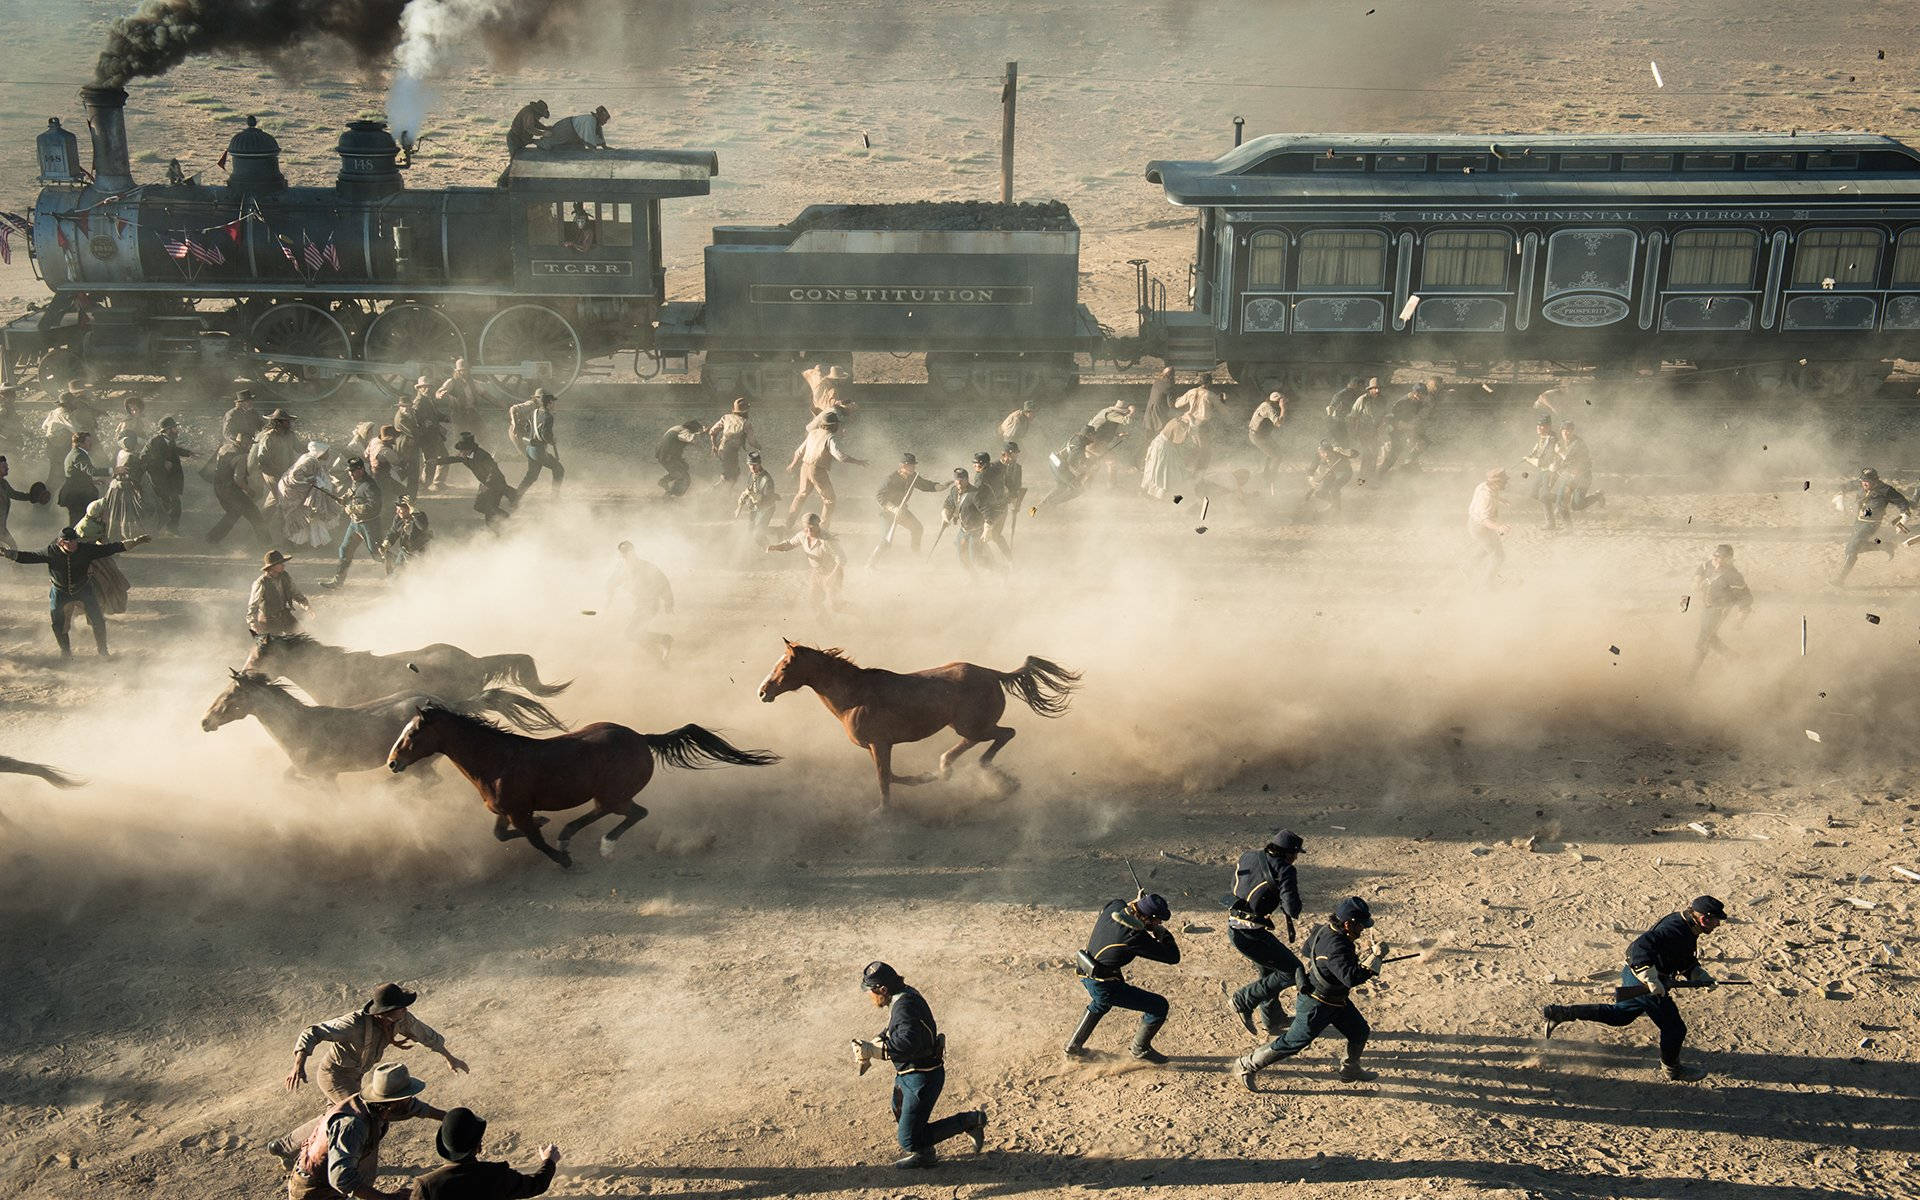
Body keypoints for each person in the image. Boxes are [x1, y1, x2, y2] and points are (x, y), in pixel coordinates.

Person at [271, 983, 469, 1165]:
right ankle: (344, 1163)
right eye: (400, 1007)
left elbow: (426, 1035)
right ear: (385, 1012)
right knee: (367, 1115)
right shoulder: (354, 1023)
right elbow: (312, 1032)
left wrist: (449, 1057)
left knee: (336, 1115)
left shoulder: (402, 1019)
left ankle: (285, 1146)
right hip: (335, 1076)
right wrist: (298, 1064)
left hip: (356, 1076)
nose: (405, 1009)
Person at [1542, 896, 1729, 1081]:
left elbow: (1681, 956)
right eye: (1716, 921)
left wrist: (1698, 976)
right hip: (1643, 981)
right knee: (1675, 1029)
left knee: (1620, 1016)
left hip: (1637, 978)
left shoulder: (1686, 925)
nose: (1717, 925)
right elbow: (1640, 946)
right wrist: (1650, 978)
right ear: (1704, 919)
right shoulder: (1675, 929)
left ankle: (1560, 1013)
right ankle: (1673, 1070)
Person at [1233, 896, 1386, 1089]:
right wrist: (1374, 960)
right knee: (1292, 1043)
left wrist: (1332, 965)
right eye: (1360, 926)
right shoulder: (1337, 947)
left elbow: (1307, 950)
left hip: (1336, 1000)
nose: (1362, 930)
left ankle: (1350, 1068)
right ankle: (1247, 1065)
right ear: (1348, 924)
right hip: (1317, 1004)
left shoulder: (1325, 929)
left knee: (1359, 1031)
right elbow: (1351, 978)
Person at [851, 961, 987, 1170]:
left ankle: (970, 1121)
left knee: (909, 1140)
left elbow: (909, 1041)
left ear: (883, 989)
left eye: (871, 990)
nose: (870, 995)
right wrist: (876, 1040)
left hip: (922, 1077)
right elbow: (896, 1027)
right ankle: (926, 1155)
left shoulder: (904, 1006)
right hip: (911, 1073)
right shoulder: (903, 995)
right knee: (898, 1108)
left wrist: (876, 1051)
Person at [284, 1062, 445, 1200]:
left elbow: (415, 1108)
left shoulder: (380, 1106)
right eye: (407, 1097)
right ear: (392, 1103)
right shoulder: (353, 1126)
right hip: (314, 1191)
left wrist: (451, 1118)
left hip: (329, 1185)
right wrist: (387, 1198)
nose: (412, 1100)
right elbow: (341, 1178)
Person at [1065, 892, 1180, 1063]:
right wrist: (1161, 933)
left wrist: (1137, 903)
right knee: (1158, 1006)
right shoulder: (1134, 937)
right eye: (1157, 920)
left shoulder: (1116, 907)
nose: (1160, 923)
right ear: (1148, 918)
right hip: (1104, 985)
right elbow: (1172, 957)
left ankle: (1073, 1049)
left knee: (1101, 1004)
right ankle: (1139, 1049)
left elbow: (1118, 904)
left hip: (1087, 971)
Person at [2, 526, 149, 658]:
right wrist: (8, 553)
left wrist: (135, 541)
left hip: (84, 589)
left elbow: (110, 548)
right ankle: (65, 652)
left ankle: (103, 651)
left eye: (74, 540)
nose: (73, 544)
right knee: (58, 624)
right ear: (60, 542)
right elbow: (29, 557)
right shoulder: (50, 551)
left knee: (98, 620)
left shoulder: (85, 549)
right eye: (68, 541)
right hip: (60, 592)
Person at [1225, 831, 1306, 1037]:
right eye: (1295, 854)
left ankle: (1273, 1019)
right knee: (1293, 971)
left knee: (1270, 972)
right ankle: (1243, 1000)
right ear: (1288, 853)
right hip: (1251, 935)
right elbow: (1292, 909)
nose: (1296, 858)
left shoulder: (1248, 856)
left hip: (1236, 926)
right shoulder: (1286, 870)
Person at [415, 1108, 559, 1200]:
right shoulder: (496, 1175)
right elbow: (537, 1184)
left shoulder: (426, 1185)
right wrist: (549, 1161)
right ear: (478, 1146)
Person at [785, 409, 866, 531]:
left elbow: (799, 451)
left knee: (801, 495)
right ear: (834, 425)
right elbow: (840, 456)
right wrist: (858, 462)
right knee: (829, 499)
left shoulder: (813, 433)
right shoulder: (830, 437)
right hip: (817, 470)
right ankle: (823, 529)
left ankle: (788, 525)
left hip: (804, 467)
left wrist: (792, 464)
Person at [1835, 467, 1911, 584]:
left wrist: (1904, 515)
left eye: (1868, 481)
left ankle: (1839, 579)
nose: (1865, 483)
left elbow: (1903, 502)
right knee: (1853, 548)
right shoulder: (1860, 483)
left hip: (1871, 524)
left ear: (1875, 480)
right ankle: (1885, 546)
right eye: (1863, 480)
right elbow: (1843, 487)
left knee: (1852, 548)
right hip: (1858, 521)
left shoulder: (1886, 490)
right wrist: (1840, 497)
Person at [1689, 544, 1752, 678]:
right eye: (1715, 556)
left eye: (1721, 558)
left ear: (1729, 559)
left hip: (1719, 610)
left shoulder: (1734, 576)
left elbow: (1746, 598)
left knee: (1704, 639)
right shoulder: (1709, 564)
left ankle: (1690, 675)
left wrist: (1740, 620)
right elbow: (1701, 569)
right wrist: (1697, 581)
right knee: (1710, 638)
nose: (1716, 560)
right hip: (1706, 606)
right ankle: (1733, 656)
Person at [320, 458, 384, 589]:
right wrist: (344, 499)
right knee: (344, 550)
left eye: (353, 471)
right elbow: (353, 492)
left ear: (361, 470)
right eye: (350, 471)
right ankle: (338, 582)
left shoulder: (370, 486)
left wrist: (352, 508)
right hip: (355, 523)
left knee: (378, 554)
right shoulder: (357, 482)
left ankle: (402, 569)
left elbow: (375, 506)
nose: (350, 474)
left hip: (369, 525)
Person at [432, 433, 517, 529]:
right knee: (480, 506)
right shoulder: (465, 455)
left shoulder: (483, 455)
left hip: (495, 483)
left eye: (462, 450)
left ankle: (505, 521)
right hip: (486, 483)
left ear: (469, 449)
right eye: (460, 450)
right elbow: (453, 459)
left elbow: (493, 470)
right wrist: (436, 462)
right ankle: (502, 523)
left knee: (488, 508)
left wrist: (488, 484)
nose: (461, 452)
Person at [767, 512, 845, 616]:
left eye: (811, 528)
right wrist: (775, 547)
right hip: (817, 573)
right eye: (806, 528)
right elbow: (790, 544)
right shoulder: (802, 535)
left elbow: (842, 559)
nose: (808, 531)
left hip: (833, 573)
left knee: (835, 606)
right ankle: (826, 628)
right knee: (814, 602)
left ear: (818, 526)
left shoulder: (827, 540)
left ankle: (862, 613)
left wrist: (833, 576)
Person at [609, 541, 674, 666]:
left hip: (649, 605)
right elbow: (613, 581)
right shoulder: (624, 568)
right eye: (623, 553)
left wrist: (669, 601)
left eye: (627, 552)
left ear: (633, 552)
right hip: (640, 606)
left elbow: (663, 581)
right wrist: (610, 592)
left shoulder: (646, 566)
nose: (625, 555)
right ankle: (660, 660)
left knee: (630, 633)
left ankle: (664, 640)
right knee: (637, 635)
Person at [208, 431, 275, 547]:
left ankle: (212, 538)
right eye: (249, 444)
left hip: (218, 486)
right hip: (231, 489)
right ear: (244, 444)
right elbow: (238, 479)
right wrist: (249, 490)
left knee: (233, 513)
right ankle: (266, 543)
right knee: (254, 514)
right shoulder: (242, 457)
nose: (250, 447)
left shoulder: (224, 448)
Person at [870, 453, 939, 562]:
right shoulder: (890, 479)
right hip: (887, 513)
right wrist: (893, 508)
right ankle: (870, 564)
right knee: (886, 541)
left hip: (902, 511)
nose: (912, 468)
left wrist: (938, 487)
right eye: (909, 465)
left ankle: (916, 554)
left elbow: (925, 485)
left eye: (913, 465)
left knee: (917, 528)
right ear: (901, 466)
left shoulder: (913, 477)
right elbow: (880, 496)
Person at [278, 440, 343, 550]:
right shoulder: (310, 461)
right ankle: (299, 544)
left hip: (303, 492)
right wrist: (311, 480)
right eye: (326, 452)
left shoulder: (313, 459)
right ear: (320, 453)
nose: (328, 454)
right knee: (302, 515)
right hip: (293, 492)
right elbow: (295, 475)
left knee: (309, 515)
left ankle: (307, 543)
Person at [41, 381, 101, 487]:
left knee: (58, 473)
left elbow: (44, 426)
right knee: (58, 475)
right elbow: (77, 431)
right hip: (59, 447)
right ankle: (44, 499)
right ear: (69, 404)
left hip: (51, 445)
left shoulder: (54, 412)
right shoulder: (66, 415)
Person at [140, 415, 191, 535]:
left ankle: (168, 529)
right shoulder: (155, 441)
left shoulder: (169, 439)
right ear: (166, 430)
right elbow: (144, 459)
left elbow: (174, 450)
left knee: (171, 503)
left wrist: (189, 453)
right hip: (158, 478)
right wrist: (162, 462)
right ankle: (164, 529)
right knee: (170, 503)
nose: (176, 430)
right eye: (174, 428)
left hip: (168, 478)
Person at [508, 389, 563, 496]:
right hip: (539, 451)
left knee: (531, 476)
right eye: (553, 402)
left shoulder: (534, 413)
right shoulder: (548, 417)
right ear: (549, 403)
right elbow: (545, 435)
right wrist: (552, 441)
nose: (554, 404)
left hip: (530, 448)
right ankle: (555, 496)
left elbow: (528, 428)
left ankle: (516, 497)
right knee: (559, 469)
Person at [1549, 420, 1605, 524]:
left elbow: (1571, 461)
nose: (1566, 433)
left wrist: (1560, 453)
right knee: (1561, 501)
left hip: (1582, 477)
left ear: (1573, 431)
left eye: (1569, 430)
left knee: (1577, 505)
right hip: (1568, 476)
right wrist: (1553, 466)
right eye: (1564, 430)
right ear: (1561, 431)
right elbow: (1557, 461)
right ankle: (1568, 527)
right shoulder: (1560, 443)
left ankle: (1598, 496)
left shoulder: (1578, 444)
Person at [940, 468, 992, 576]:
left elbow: (987, 512)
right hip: (963, 530)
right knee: (962, 558)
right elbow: (948, 504)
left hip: (976, 531)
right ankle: (974, 579)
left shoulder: (975, 494)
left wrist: (987, 530)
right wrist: (945, 517)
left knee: (976, 559)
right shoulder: (954, 490)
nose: (959, 482)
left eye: (962, 479)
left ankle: (1001, 570)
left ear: (967, 479)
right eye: (957, 479)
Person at [249, 549, 309, 636]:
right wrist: (253, 624)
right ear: (272, 566)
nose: (283, 565)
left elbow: (295, 593)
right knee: (272, 647)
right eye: (280, 563)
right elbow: (253, 606)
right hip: (268, 620)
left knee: (302, 638)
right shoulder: (261, 583)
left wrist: (306, 605)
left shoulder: (285, 576)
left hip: (284, 615)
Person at [1467, 468, 1510, 587]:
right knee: (1499, 556)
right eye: (1504, 481)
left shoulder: (1484, 486)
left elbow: (1493, 495)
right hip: (1480, 528)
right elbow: (1485, 520)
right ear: (1497, 482)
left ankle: (1468, 567)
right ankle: (1487, 585)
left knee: (1487, 547)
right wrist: (1499, 527)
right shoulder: (1487, 497)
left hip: (1475, 524)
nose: (1506, 483)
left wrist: (1501, 500)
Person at [57, 430, 110, 526]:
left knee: (78, 523)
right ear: (80, 443)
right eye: (88, 441)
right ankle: (67, 540)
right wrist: (112, 471)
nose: (91, 443)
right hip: (77, 496)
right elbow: (91, 471)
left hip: (76, 494)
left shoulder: (76, 453)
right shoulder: (78, 455)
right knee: (78, 524)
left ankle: (72, 540)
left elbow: (77, 476)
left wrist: (93, 482)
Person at [1140, 412, 1196, 501]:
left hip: (1160, 446)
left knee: (1157, 471)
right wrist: (1190, 429)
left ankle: (1151, 493)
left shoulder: (1175, 420)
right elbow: (1179, 441)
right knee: (1165, 473)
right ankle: (1166, 498)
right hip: (1163, 448)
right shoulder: (1178, 425)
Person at [0, 454, 49, 553]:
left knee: (13, 549)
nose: (7, 468)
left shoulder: (3, 484)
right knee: (12, 550)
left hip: (2, 528)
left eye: (7, 466)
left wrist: (32, 497)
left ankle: (15, 567)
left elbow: (14, 494)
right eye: (4, 466)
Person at [707, 397, 759, 485]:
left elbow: (712, 432)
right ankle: (717, 490)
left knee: (732, 472)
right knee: (732, 474)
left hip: (722, 449)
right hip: (731, 451)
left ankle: (725, 490)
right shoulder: (745, 423)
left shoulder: (726, 417)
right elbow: (752, 441)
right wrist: (759, 446)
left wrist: (714, 445)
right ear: (746, 411)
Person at [1302, 438, 1358, 517]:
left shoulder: (1338, 452)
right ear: (1320, 450)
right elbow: (1312, 468)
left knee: (1334, 489)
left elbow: (1356, 454)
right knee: (1320, 493)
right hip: (1330, 474)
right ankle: (1334, 504)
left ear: (1331, 450)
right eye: (1323, 452)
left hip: (1344, 473)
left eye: (1328, 451)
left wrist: (1344, 452)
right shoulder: (1318, 454)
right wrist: (1310, 479)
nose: (1326, 454)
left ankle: (1336, 511)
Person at [1522, 412, 1559, 529]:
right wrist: (1529, 457)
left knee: (1544, 496)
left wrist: (1529, 459)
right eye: (1538, 425)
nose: (1538, 427)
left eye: (1542, 425)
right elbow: (1536, 453)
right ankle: (1562, 499)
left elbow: (1543, 462)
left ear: (1548, 427)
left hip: (1551, 471)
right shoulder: (1543, 438)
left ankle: (1551, 523)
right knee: (1533, 493)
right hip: (1543, 471)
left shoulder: (1552, 440)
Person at [655, 418, 708, 498]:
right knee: (684, 478)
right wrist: (702, 433)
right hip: (668, 456)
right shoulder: (684, 431)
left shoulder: (678, 428)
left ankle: (664, 481)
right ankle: (671, 495)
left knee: (683, 468)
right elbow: (691, 439)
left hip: (666, 455)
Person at [1248, 390, 1287, 493]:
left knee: (1274, 453)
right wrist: (1283, 408)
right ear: (1277, 401)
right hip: (1258, 437)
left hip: (1260, 435)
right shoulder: (1270, 409)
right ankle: (1270, 480)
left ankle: (1266, 476)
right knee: (1277, 456)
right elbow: (1278, 424)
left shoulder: (1265, 403)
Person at [736, 451, 779, 544]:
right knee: (750, 530)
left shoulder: (767, 480)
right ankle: (777, 531)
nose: (753, 467)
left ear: (759, 464)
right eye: (750, 465)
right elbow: (748, 489)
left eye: (755, 464)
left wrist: (752, 497)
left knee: (758, 534)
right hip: (755, 508)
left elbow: (767, 499)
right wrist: (740, 505)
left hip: (766, 508)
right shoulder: (751, 474)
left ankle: (768, 548)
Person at [381, 499, 432, 575]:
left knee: (421, 574)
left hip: (419, 552)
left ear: (409, 509)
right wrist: (386, 543)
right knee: (397, 575)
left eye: (400, 509)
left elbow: (423, 527)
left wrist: (414, 512)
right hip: (404, 550)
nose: (397, 512)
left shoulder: (420, 516)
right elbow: (393, 532)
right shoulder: (398, 518)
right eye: (397, 509)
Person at [535, 106, 610, 151]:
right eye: (605, 119)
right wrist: (593, 149)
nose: (605, 122)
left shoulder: (596, 123)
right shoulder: (590, 120)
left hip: (574, 133)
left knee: (577, 148)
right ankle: (541, 143)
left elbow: (599, 135)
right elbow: (588, 136)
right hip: (566, 128)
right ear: (600, 117)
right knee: (554, 141)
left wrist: (604, 146)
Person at [1144, 366, 1177, 433]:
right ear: (1172, 375)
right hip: (1159, 410)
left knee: (1149, 429)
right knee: (1160, 430)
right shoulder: (1169, 385)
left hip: (1150, 408)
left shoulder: (1157, 381)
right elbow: (1170, 404)